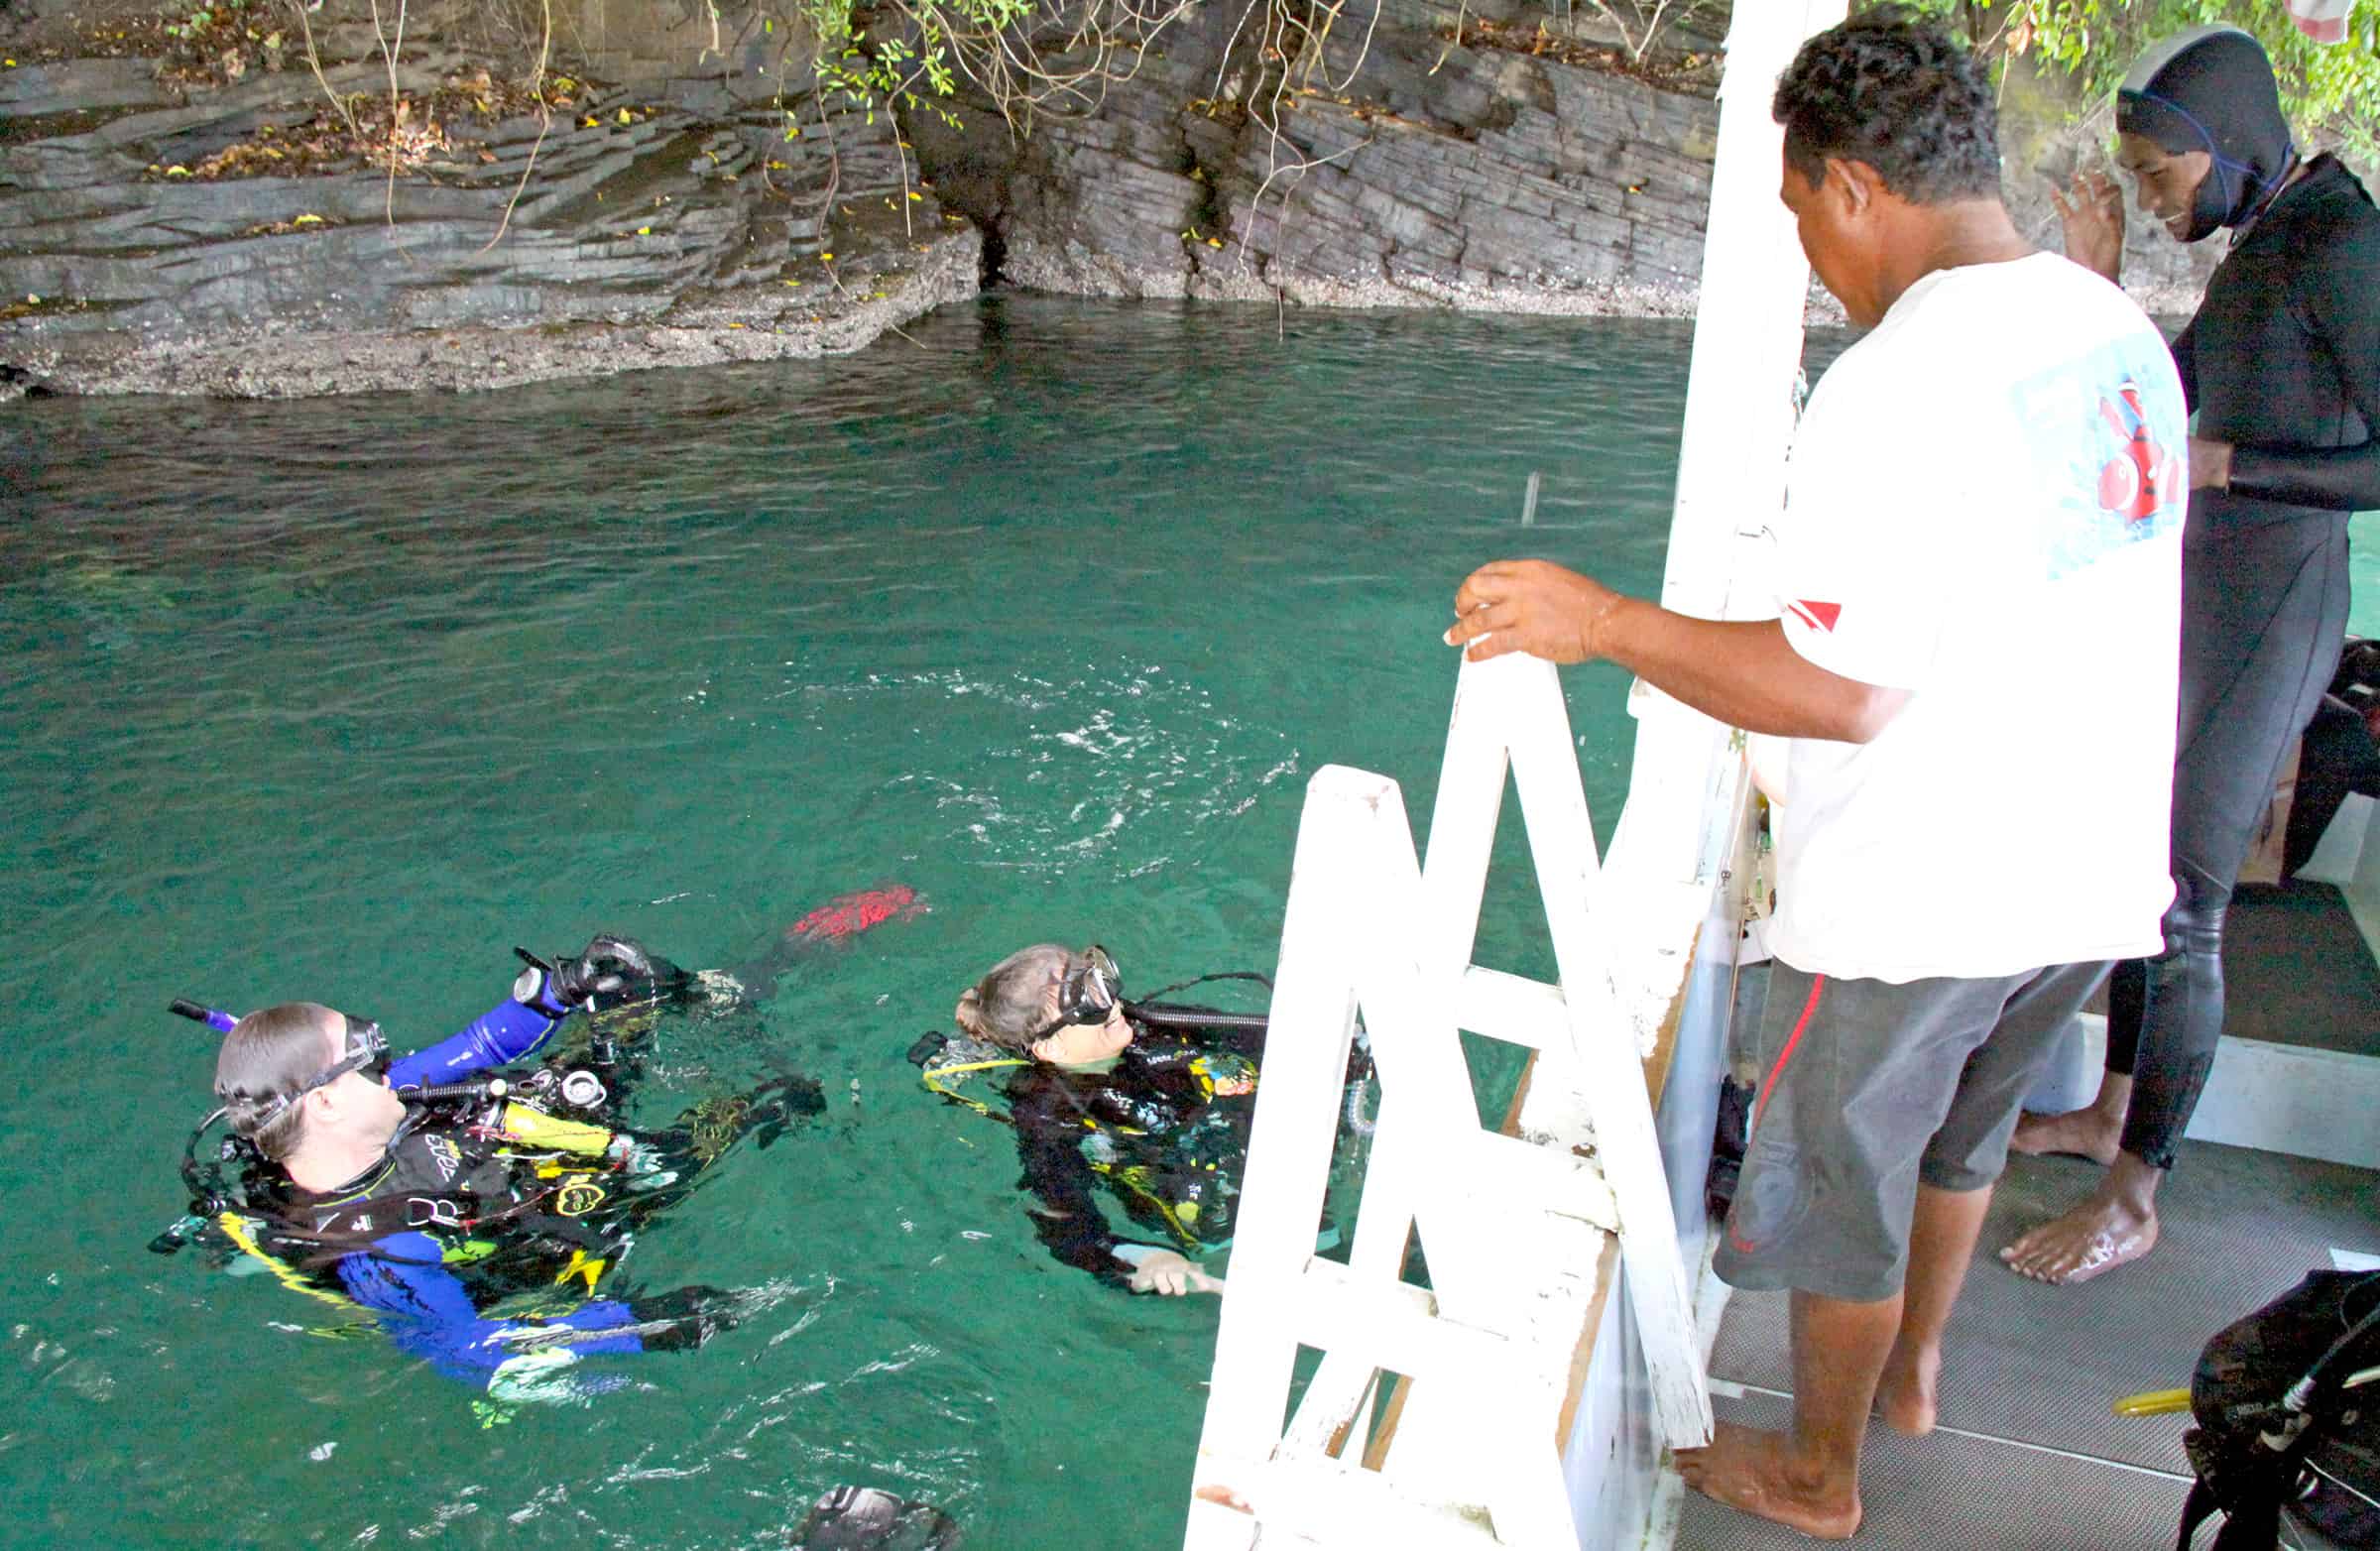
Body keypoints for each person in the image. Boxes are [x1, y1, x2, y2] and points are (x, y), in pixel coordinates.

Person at [1444, 12, 2184, 1538]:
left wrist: (1600, 622)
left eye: (1797, 217)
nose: (1808, 261)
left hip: (1927, 889)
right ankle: (1915, 1375)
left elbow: (1841, 693)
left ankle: (1821, 1476)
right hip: (2091, 865)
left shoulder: (1900, 382)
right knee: (1969, 1135)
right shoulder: (2110, 330)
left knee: (1842, 1182)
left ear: (1851, 187)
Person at [2001, 25, 2379, 1287]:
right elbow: (2159, 392)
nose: (2160, 200)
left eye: (2163, 177)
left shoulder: (2339, 243)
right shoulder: (2267, 239)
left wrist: (2233, 466)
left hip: (2279, 601)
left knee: (2188, 904)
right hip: (2213, 594)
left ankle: (2136, 1194)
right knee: (2150, 870)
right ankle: (2111, 1111)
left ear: (2228, 146)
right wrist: (2100, 280)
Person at [172, 931, 833, 1402]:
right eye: (370, 1057)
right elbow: (472, 1354)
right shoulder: (375, 1252)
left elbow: (481, 1046)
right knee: (768, 1102)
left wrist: (559, 990)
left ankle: (747, 980)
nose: (389, 1062)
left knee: (628, 997)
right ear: (325, 1102)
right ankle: (807, 1092)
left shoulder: (356, 1110)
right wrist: (645, 1329)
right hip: (567, 1218)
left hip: (518, 1145)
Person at [921, 942, 1319, 1296]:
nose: (1111, 1003)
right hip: (1239, 1217)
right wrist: (1146, 1260)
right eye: (1087, 1002)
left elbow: (1274, 1040)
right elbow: (1066, 1228)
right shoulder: (1046, 1112)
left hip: (1293, 1150)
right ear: (1047, 1047)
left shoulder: (1147, 1025)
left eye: (1096, 982)